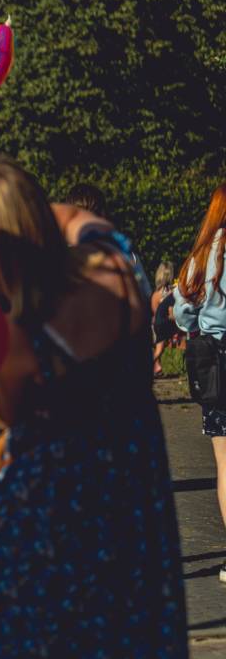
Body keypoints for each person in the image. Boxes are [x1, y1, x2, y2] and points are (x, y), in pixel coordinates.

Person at [0, 155, 186, 656]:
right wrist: (8, 205)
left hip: (45, 535)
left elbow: (3, 409)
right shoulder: (114, 271)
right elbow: (86, 222)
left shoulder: (14, 335)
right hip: (130, 520)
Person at [174, 182, 226, 585]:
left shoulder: (202, 255)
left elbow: (181, 313)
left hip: (214, 364)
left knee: (224, 465)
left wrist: (201, 326)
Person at [152, 260, 178, 375]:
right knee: (159, 349)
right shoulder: (172, 292)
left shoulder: (156, 294)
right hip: (162, 324)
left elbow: (154, 313)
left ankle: (156, 368)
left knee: (159, 348)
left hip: (157, 324)